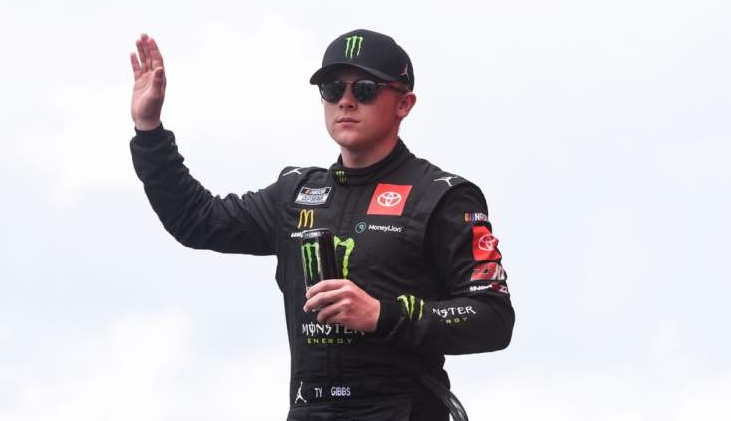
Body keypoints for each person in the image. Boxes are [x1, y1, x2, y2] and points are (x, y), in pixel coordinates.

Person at [129, 29, 514, 421]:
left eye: (364, 89)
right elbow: (196, 220)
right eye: (332, 89)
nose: (345, 101)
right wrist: (149, 130)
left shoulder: (442, 196)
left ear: (404, 103)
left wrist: (383, 314)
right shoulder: (295, 193)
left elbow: (493, 318)